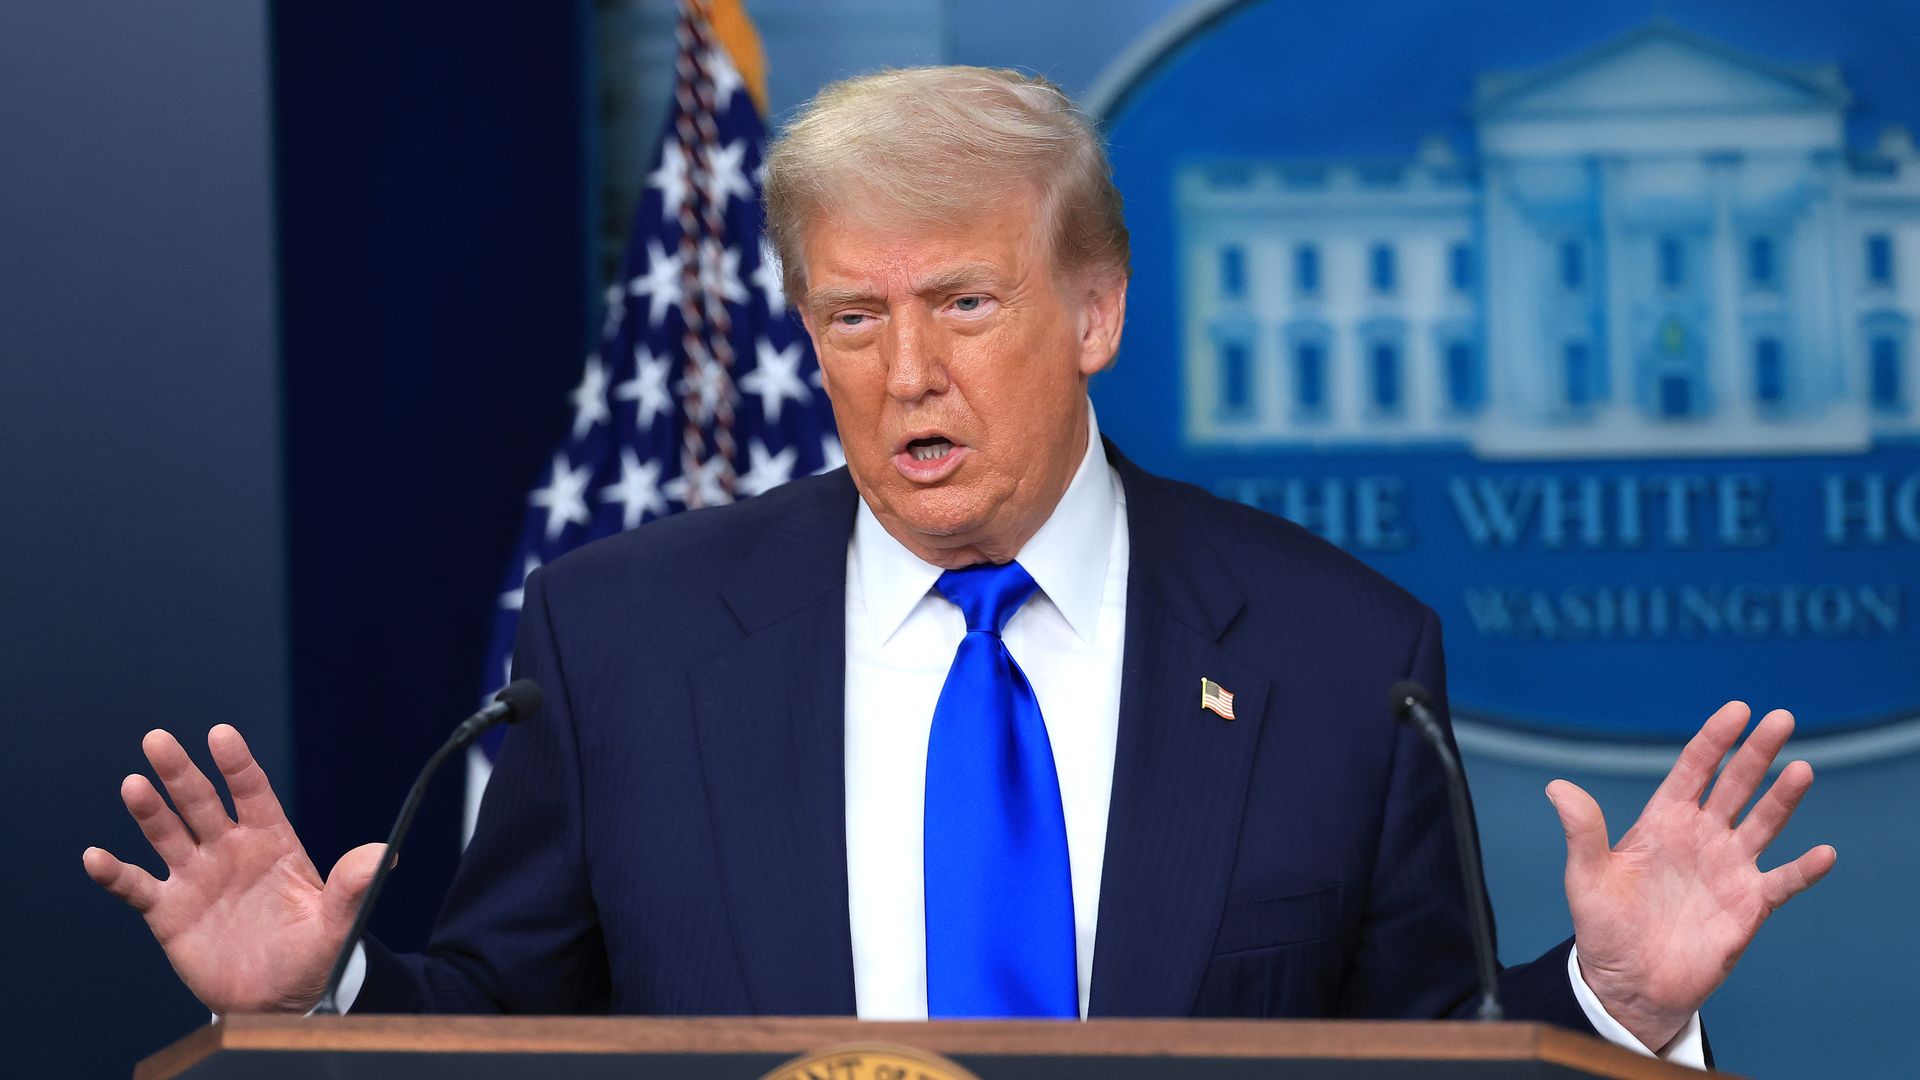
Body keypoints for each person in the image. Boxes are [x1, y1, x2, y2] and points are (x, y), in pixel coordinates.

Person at [84, 67, 1833, 1063]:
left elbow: (1426, 1058)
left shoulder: (1334, 653)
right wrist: (323, 997)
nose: (903, 370)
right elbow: (498, 1031)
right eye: (851, 316)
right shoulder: (620, 639)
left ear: (1094, 312)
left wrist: (1612, 1001)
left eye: (963, 306)